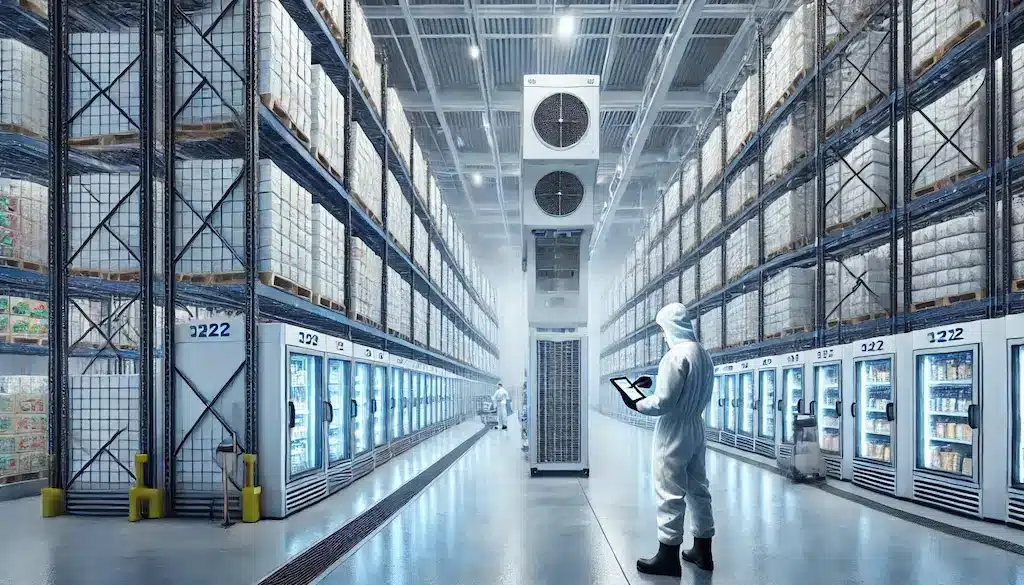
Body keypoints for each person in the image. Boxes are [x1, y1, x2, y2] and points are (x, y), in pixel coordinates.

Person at [618, 302, 716, 575]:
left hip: (673, 430)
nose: (662, 335)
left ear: (671, 327)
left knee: (669, 490)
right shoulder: (702, 355)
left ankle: (668, 555)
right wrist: (652, 380)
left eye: (662, 329)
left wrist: (635, 402)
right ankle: (703, 550)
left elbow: (663, 402)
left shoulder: (674, 356)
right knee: (699, 489)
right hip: (696, 426)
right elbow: (686, 387)